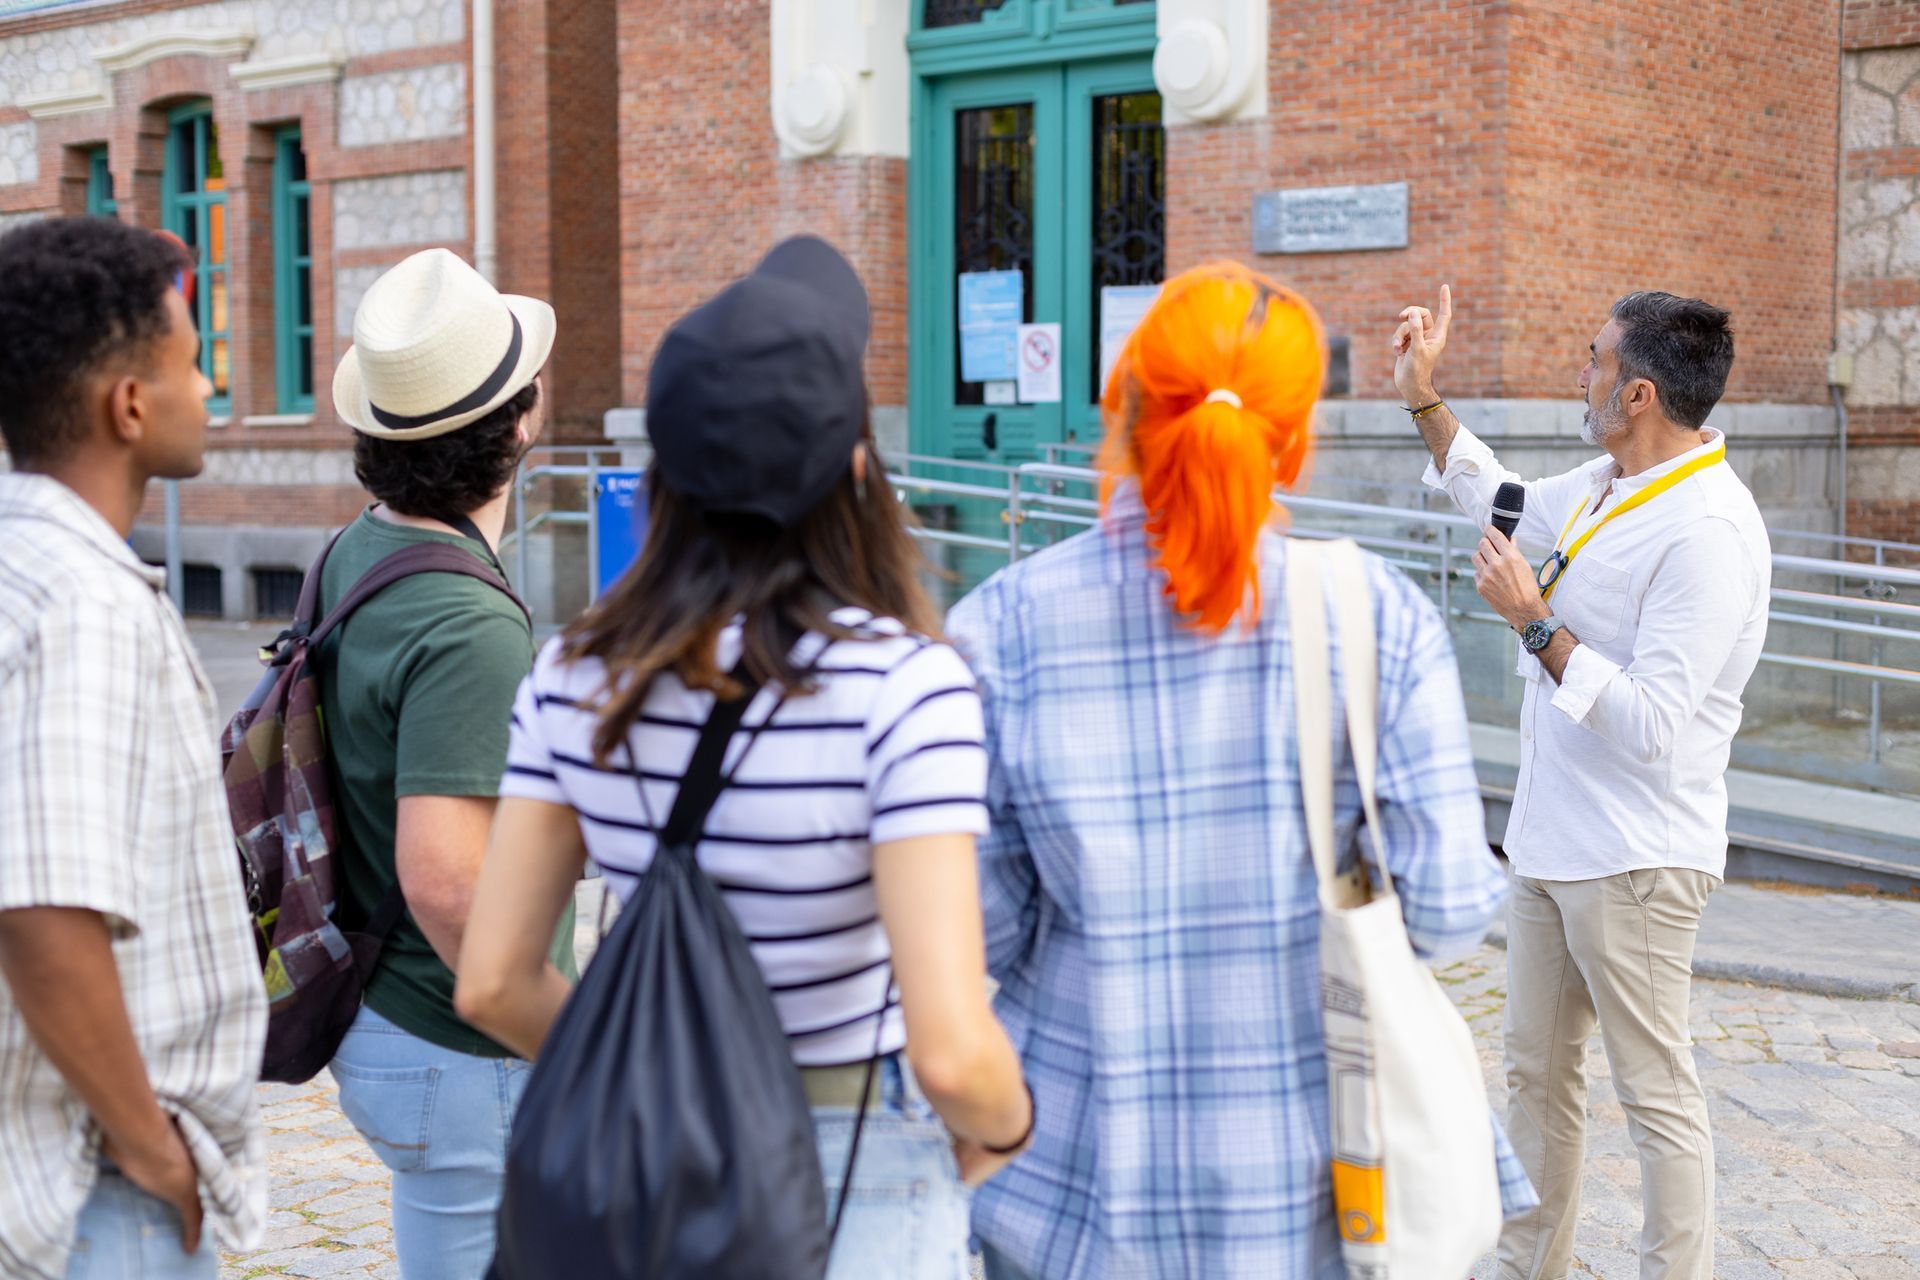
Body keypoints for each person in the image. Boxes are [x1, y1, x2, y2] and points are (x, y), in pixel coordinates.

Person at [454, 236, 1034, 1277]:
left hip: (649, 1162)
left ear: (661, 472)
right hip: (855, 1147)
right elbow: (951, 1046)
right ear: (858, 469)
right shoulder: (905, 690)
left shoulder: (574, 675)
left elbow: (494, 981)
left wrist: (638, 1073)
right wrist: (1006, 1125)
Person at [948, 261, 1535, 1280]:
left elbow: (976, 938)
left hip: (1071, 1202)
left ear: (1120, 407)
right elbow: (1442, 913)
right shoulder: (1377, 617)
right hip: (1316, 1205)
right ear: (1295, 442)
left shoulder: (1000, 627)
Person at [1392, 285, 1769, 1280]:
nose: (1582, 369)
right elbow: (1499, 499)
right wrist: (1422, 397)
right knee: (1534, 1075)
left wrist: (1534, 621)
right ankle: (1529, 1266)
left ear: (1638, 391)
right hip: (1550, 840)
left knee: (1655, 1093)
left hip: (1639, 856)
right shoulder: (1608, 482)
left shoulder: (1708, 532)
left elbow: (1651, 720)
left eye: (1593, 357)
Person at [0, 217, 266, 1279]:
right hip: (102, 1192)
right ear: (128, 403)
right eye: (193, 362)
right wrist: (155, 1151)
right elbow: (42, 911)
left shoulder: (24, 566)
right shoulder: (86, 606)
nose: (208, 389)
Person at [319, 248, 576, 1278]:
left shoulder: (362, 548)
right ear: (520, 422)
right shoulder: (469, 622)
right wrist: (576, 1032)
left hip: (384, 1007)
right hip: (464, 1044)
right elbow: (447, 882)